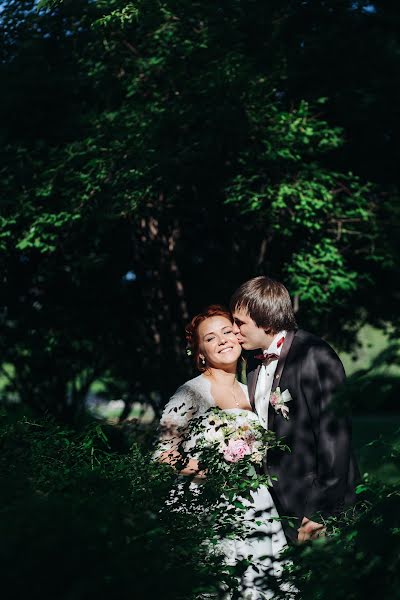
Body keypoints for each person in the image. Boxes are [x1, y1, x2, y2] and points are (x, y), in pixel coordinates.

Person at [155, 305, 288, 599]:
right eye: (211, 338)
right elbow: (163, 455)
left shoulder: (253, 390)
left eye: (227, 332)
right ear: (200, 353)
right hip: (206, 504)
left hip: (255, 503)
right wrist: (211, 473)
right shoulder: (190, 393)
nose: (223, 340)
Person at [230, 276, 360, 544]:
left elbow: (334, 439)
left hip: (316, 505)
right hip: (277, 503)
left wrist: (318, 512)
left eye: (239, 323)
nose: (233, 330)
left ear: (265, 322)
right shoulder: (253, 361)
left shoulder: (315, 356)